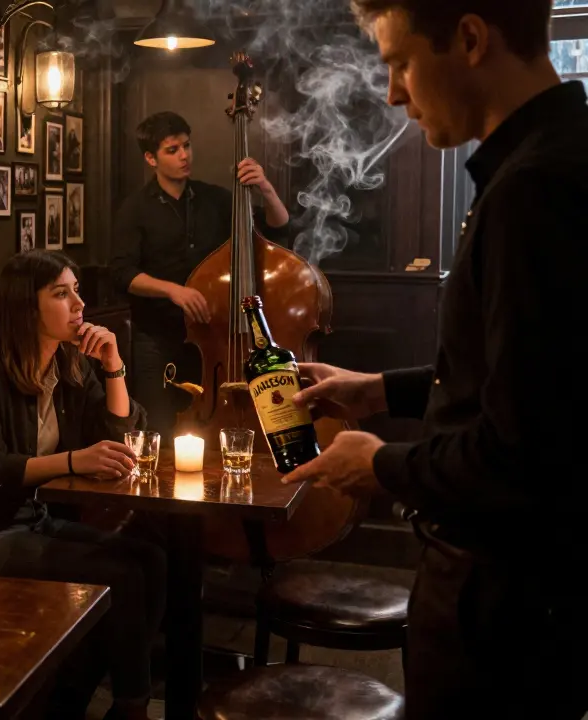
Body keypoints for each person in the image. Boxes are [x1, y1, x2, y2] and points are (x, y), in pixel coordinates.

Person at [281, 2, 587, 718]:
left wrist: (378, 464)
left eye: (399, 62)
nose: (392, 93)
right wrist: (377, 389)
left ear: (472, 39)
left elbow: (523, 453)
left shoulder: (533, 189)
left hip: (503, 604)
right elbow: (520, 383)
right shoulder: (556, 157)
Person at [0, 251, 165, 720]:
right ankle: (130, 708)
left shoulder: (65, 365)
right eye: (61, 294)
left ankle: (96, 698)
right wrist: (73, 460)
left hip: (37, 521)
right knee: (122, 574)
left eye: (76, 290)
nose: (79, 304)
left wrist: (113, 364)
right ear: (27, 306)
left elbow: (123, 436)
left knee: (152, 558)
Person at [109, 111, 290, 440]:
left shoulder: (217, 200)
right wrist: (174, 291)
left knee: (212, 429)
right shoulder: (134, 208)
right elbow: (122, 274)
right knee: (159, 428)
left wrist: (265, 188)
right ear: (151, 158)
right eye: (172, 150)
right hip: (159, 339)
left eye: (187, 146)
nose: (184, 155)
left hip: (214, 338)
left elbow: (277, 230)